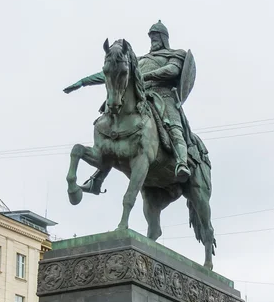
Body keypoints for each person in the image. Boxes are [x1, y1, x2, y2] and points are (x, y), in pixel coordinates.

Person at [64, 20, 193, 194]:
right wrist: (82, 82)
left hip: (163, 95)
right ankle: (97, 179)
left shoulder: (175, 54)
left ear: (164, 37)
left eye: (156, 36)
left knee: (173, 126)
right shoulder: (139, 59)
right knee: (113, 128)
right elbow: (110, 72)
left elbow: (171, 71)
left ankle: (181, 163)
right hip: (141, 95)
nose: (153, 39)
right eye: (151, 36)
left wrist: (142, 76)